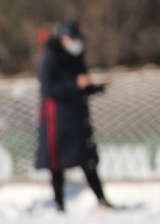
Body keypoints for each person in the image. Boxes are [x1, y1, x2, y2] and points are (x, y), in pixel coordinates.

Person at [36, 20, 113, 212]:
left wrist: (97, 87)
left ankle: (101, 200)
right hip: (57, 120)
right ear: (65, 38)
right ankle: (59, 205)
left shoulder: (77, 58)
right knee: (57, 164)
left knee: (87, 160)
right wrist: (75, 85)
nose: (79, 43)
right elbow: (48, 90)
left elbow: (82, 87)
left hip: (77, 117)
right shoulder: (50, 58)